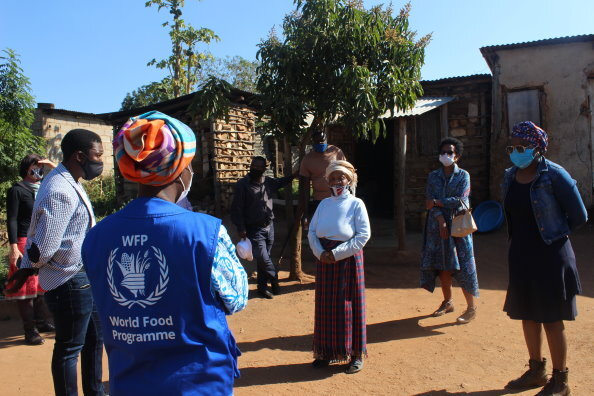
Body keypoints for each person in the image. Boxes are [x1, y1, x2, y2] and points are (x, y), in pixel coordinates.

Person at [82, 111, 248, 396]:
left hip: (128, 382)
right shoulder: (205, 231)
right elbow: (236, 298)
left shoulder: (96, 236)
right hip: (198, 382)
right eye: (190, 165)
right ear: (181, 170)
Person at [6, 129, 106, 396]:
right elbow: (46, 245)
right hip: (69, 280)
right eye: (98, 155)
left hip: (83, 276)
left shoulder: (69, 180)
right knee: (70, 347)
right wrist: (27, 267)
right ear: (80, 156)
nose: (100, 161)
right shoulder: (60, 189)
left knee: (95, 339)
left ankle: (96, 392)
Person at [502, 121, 587, 396]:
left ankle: (560, 380)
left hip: (551, 255)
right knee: (527, 314)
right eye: (513, 146)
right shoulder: (509, 175)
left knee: (551, 318)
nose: (516, 151)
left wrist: (553, 235)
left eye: (522, 146)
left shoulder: (555, 175)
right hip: (522, 254)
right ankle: (536, 370)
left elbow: (579, 216)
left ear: (536, 147)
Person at [308, 160, 370, 374]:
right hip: (325, 260)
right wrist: (321, 253)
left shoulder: (356, 204)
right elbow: (312, 231)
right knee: (326, 307)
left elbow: (363, 235)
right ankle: (327, 352)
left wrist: (336, 254)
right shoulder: (324, 204)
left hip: (347, 259)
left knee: (349, 306)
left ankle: (354, 355)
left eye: (341, 177)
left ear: (349, 179)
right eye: (333, 178)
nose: (337, 181)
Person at [421, 137, 479, 324]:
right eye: (443, 152)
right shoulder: (433, 176)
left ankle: (471, 308)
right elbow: (429, 201)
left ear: (457, 156)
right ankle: (448, 302)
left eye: (450, 153)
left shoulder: (464, 176)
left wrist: (438, 202)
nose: (445, 155)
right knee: (442, 265)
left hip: (459, 225)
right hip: (437, 226)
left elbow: (461, 200)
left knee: (464, 266)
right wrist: (440, 220)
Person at [5, 154, 56, 345]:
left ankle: (42, 322)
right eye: (35, 166)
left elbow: (66, 178)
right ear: (27, 168)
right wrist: (13, 247)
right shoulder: (17, 190)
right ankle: (30, 330)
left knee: (41, 284)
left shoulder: (44, 189)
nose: (39, 170)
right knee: (26, 286)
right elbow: (12, 219)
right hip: (23, 241)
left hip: (41, 241)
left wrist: (51, 164)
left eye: (41, 167)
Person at [230, 156, 295, 299]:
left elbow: (281, 182)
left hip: (269, 226)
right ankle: (275, 280)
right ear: (250, 166)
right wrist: (241, 228)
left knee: (264, 260)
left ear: (265, 169)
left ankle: (262, 288)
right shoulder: (243, 185)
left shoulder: (268, 182)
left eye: (260, 167)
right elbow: (236, 209)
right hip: (254, 229)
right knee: (265, 259)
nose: (257, 169)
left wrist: (295, 175)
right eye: (254, 166)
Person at [299, 129, 346, 223]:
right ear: (312, 142)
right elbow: (305, 186)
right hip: (319, 200)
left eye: (322, 141)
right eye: (317, 141)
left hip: (337, 197)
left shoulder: (336, 152)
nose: (320, 143)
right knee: (323, 225)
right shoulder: (308, 159)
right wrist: (306, 211)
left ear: (326, 140)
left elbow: (346, 173)